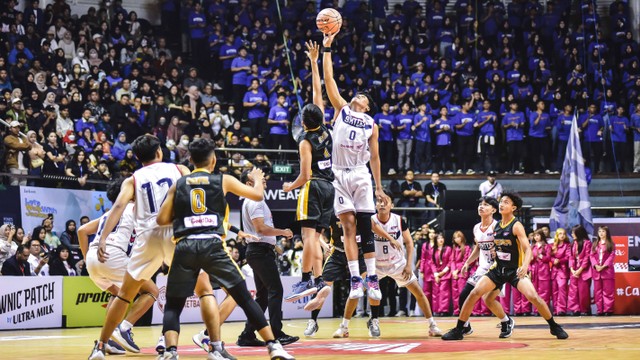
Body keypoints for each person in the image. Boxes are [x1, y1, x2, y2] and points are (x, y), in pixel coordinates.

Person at [155, 138, 294, 360]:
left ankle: (170, 352)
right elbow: (257, 195)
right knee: (245, 298)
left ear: (191, 160)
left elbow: (162, 219)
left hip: (185, 245)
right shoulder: (222, 180)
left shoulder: (179, 184)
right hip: (212, 244)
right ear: (214, 160)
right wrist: (257, 179)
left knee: (173, 304)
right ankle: (273, 346)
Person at [88, 135, 190, 360]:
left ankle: (100, 346)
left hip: (148, 237)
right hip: (174, 232)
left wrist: (103, 237)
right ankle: (188, 344)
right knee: (200, 288)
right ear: (160, 151)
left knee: (125, 295)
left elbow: (118, 207)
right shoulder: (179, 169)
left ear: (136, 157)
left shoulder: (132, 179)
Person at [442, 193, 569, 340]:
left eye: (506, 202)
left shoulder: (516, 225)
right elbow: (484, 245)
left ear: (513, 207)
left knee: (533, 296)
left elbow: (528, 249)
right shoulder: (495, 226)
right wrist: (472, 261)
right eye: (501, 202)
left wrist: (525, 266)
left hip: (514, 270)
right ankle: (459, 329)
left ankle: (554, 326)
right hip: (497, 269)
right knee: (475, 294)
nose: (501, 204)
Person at [322, 31, 390, 300]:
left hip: (360, 173)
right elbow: (328, 79)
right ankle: (354, 279)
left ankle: (371, 277)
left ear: (367, 105)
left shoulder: (372, 124)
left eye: (362, 96)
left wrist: (380, 186)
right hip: (338, 172)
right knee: (346, 226)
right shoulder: (342, 109)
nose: (357, 96)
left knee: (364, 225)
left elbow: (375, 157)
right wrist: (327, 49)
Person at [79, 178, 157, 355]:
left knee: (118, 294)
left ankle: (103, 342)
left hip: (93, 258)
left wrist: (87, 259)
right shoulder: (134, 208)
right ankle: (124, 327)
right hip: (113, 256)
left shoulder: (108, 213)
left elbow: (82, 230)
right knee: (152, 291)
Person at [282, 41, 334, 303]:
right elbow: (317, 93)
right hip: (330, 188)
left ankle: (304, 281)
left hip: (313, 185)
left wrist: (289, 187)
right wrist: (314, 62)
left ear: (303, 121)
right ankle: (319, 280)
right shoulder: (325, 128)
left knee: (307, 236)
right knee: (316, 237)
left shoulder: (305, 140)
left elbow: (303, 175)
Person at [236, 170, 299, 346]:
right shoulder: (256, 200)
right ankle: (277, 333)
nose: (263, 179)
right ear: (249, 184)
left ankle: (247, 335)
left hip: (258, 250)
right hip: (259, 252)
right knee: (275, 290)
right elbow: (261, 229)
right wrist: (283, 232)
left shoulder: (252, 201)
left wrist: (274, 245)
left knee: (263, 296)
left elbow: (261, 232)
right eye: (256, 178)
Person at [367, 196, 443, 337]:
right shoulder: (371, 220)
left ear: (392, 205)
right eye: (379, 202)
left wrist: (409, 265)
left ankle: (432, 324)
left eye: (385, 202)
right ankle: (374, 320)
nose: (382, 204)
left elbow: (409, 243)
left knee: (418, 292)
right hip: (377, 265)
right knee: (374, 293)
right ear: (375, 205)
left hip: (397, 264)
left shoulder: (399, 220)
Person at [568, 225, 592, 316]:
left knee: (583, 291)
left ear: (579, 233)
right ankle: (575, 309)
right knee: (573, 291)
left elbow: (586, 258)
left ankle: (584, 310)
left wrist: (580, 270)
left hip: (584, 271)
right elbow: (570, 257)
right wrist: (572, 269)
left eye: (573, 233)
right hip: (574, 271)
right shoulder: (572, 243)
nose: (572, 234)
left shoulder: (587, 243)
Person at [591, 226, 615, 315]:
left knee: (608, 291)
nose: (601, 233)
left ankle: (608, 310)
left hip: (607, 272)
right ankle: (599, 310)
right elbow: (591, 256)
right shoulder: (595, 244)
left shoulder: (611, 244)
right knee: (597, 292)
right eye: (600, 231)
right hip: (597, 271)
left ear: (607, 233)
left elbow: (611, 256)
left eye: (603, 231)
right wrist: (595, 265)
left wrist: (604, 266)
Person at [530, 229, 551, 315]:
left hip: (544, 270)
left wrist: (541, 256)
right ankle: (536, 310)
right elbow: (529, 260)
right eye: (535, 236)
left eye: (538, 235)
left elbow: (549, 258)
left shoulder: (546, 246)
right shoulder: (532, 247)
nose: (536, 237)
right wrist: (530, 269)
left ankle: (544, 310)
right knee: (535, 291)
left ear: (541, 236)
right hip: (535, 270)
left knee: (545, 291)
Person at [4, 120, 31, 186]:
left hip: (24, 165)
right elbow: (15, 145)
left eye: (18, 127)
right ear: (10, 128)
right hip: (14, 164)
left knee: (23, 186)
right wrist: (23, 146)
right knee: (14, 184)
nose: (17, 129)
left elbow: (29, 146)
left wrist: (18, 146)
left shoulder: (23, 138)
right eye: (15, 127)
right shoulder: (8, 138)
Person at [551, 227, 570, 316]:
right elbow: (548, 256)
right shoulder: (553, 245)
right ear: (557, 235)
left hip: (563, 270)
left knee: (562, 289)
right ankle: (555, 309)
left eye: (563, 234)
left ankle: (561, 309)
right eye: (560, 234)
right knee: (554, 291)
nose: (562, 235)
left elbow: (567, 257)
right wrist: (553, 260)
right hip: (554, 271)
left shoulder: (567, 245)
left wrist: (559, 260)